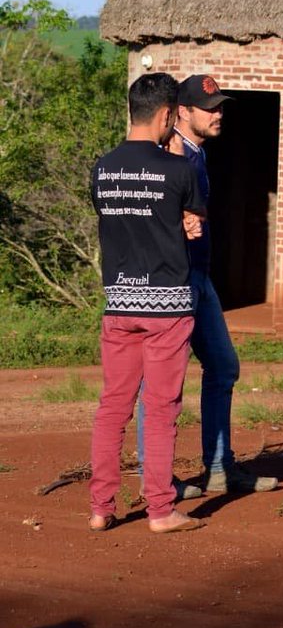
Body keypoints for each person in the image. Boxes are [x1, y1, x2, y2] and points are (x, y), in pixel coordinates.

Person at [138, 73, 278, 495]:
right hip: (174, 281)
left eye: (219, 107)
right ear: (182, 111)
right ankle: (156, 479)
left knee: (222, 366)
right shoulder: (170, 154)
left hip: (199, 278)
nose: (218, 114)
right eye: (209, 108)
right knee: (160, 381)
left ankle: (219, 469)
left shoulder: (194, 153)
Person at [89, 73, 206, 534]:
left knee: (112, 407)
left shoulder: (102, 168)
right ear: (167, 114)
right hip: (167, 308)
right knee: (160, 410)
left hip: (118, 303)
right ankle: (160, 510)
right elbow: (193, 220)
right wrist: (186, 223)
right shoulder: (179, 170)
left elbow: (117, 221)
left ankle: (101, 508)